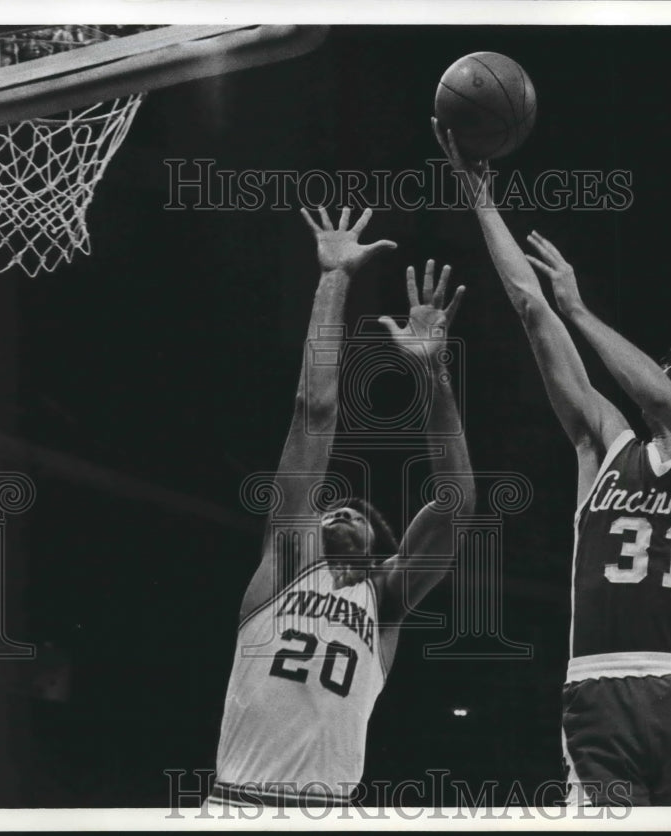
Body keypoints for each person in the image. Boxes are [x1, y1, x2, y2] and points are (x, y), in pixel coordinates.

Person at [434, 121, 671, 806]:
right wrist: (481, 201)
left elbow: (650, 394)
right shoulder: (606, 445)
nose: (662, 378)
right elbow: (531, 309)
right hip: (597, 689)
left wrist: (580, 309)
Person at [208, 206, 474, 809]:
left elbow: (456, 503)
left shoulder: (384, 600)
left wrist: (433, 375)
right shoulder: (287, 561)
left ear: (381, 549)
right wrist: (334, 278)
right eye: (330, 510)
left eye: (355, 513)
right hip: (235, 803)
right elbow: (314, 411)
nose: (339, 511)